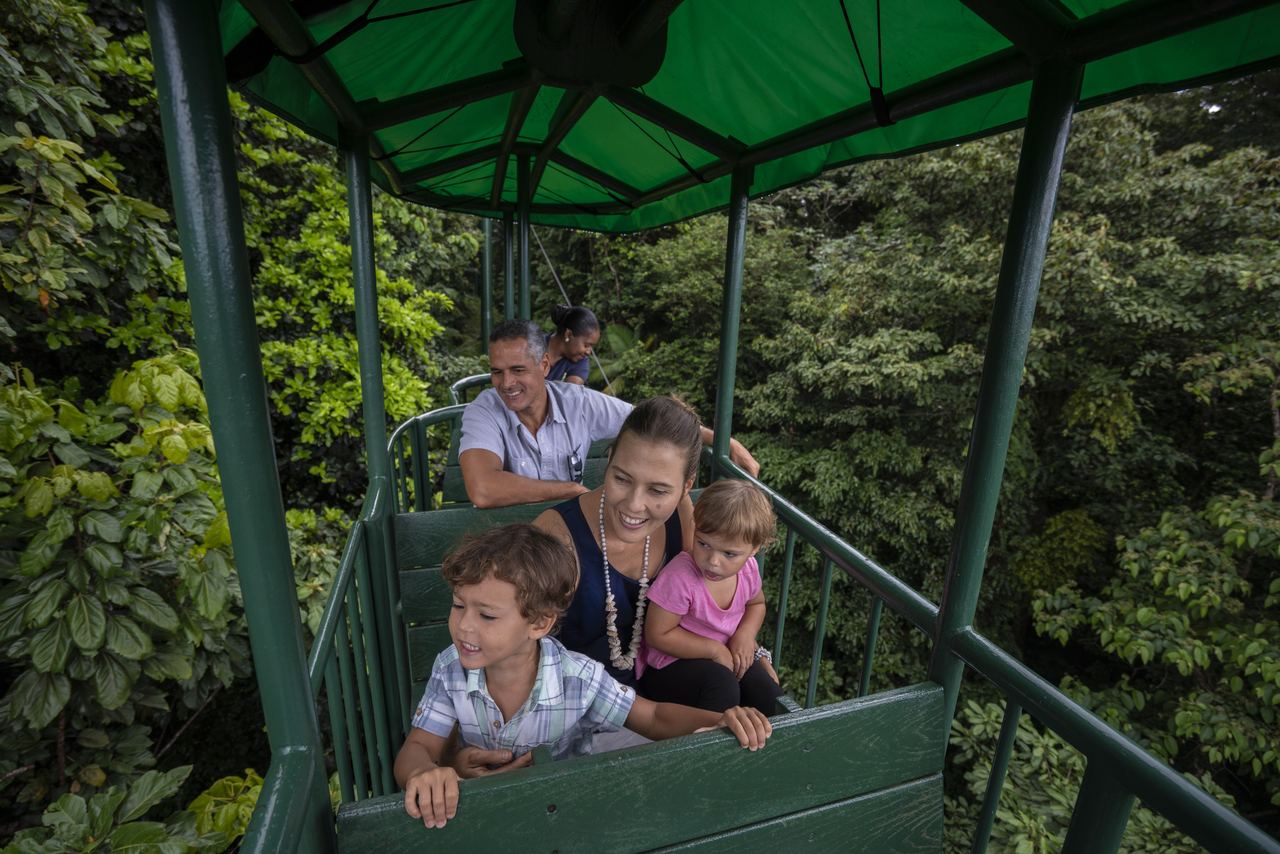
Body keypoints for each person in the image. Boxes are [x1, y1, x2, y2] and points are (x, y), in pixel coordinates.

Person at [394, 523, 773, 830]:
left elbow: (653, 717)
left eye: (487, 615)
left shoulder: (577, 677)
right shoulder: (450, 669)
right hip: (487, 819)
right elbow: (418, 748)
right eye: (458, 606)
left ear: (539, 623)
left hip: (567, 815)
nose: (464, 627)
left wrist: (722, 718)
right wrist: (426, 773)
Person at [459, 320, 760, 509]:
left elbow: (649, 420)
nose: (506, 383)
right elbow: (484, 490)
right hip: (509, 537)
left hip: (565, 534)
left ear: (545, 366)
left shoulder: (577, 402)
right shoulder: (484, 410)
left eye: (518, 370)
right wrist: (570, 490)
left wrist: (726, 443)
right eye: (497, 372)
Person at [637, 479, 784, 715]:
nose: (713, 561)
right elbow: (657, 635)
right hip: (669, 666)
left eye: (729, 553)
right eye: (703, 544)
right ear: (695, 528)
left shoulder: (748, 570)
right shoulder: (680, 577)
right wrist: (714, 650)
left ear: (754, 548)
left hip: (724, 653)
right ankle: (708, 748)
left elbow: (756, 604)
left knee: (766, 691)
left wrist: (745, 635)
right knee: (723, 687)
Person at [544, 304, 599, 385]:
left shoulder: (580, 361)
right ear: (568, 334)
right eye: (586, 345)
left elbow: (569, 394)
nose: (588, 352)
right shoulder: (532, 346)